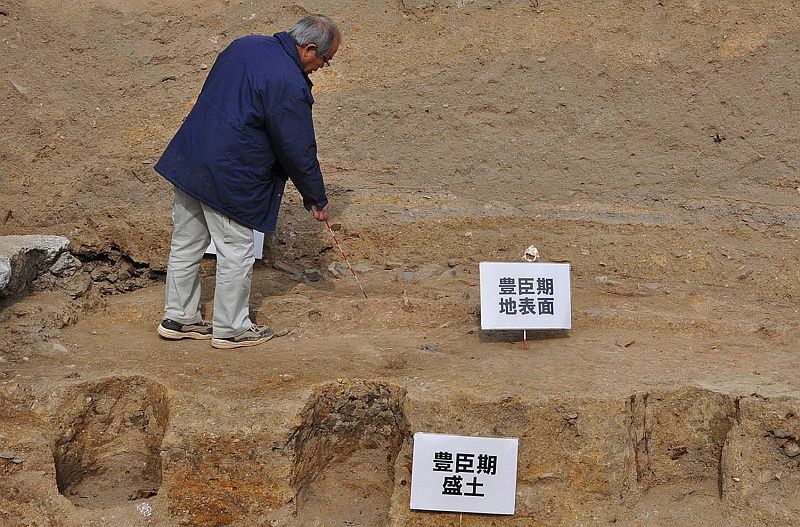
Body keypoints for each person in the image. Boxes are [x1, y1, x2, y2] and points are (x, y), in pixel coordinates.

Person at [154, 14, 340, 349]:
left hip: (192, 157)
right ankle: (231, 328)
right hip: (231, 173)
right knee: (236, 250)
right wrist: (316, 196)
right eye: (325, 61)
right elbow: (296, 147)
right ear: (310, 50)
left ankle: (178, 318)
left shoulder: (245, 45)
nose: (321, 68)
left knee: (186, 243)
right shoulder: (289, 82)